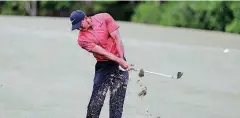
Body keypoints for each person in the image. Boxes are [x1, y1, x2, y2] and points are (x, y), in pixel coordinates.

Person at [70, 10, 130, 118]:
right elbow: (104, 53)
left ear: (85, 18)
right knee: (94, 105)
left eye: (79, 25)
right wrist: (120, 61)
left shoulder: (104, 17)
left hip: (119, 63)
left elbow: (117, 38)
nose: (79, 28)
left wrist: (122, 59)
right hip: (103, 66)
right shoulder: (82, 40)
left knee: (116, 106)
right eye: (76, 27)